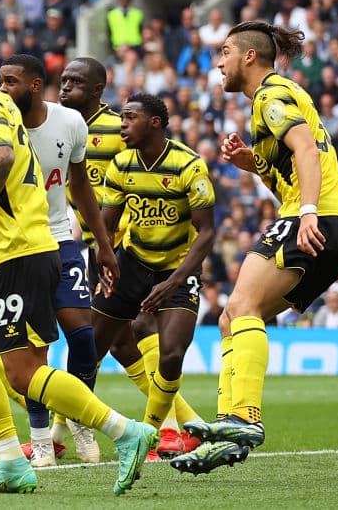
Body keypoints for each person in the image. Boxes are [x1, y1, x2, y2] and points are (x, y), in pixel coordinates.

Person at [0, 28, 157, 497]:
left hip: (22, 253)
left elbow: (1, 158)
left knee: (23, 372)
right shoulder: (2, 104)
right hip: (9, 251)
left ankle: (127, 432)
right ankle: (10, 463)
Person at [173, 21, 338, 473]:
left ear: (249, 57)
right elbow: (291, 179)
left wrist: (311, 212)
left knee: (242, 304)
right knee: (230, 316)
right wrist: (252, 165)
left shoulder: (271, 96)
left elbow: (307, 154)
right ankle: (228, 430)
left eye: (225, 52)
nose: (218, 63)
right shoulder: (274, 102)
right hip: (325, 221)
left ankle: (244, 419)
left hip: (315, 219)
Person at [60, 57, 204, 460]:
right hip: (93, 246)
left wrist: (113, 252)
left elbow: (121, 196)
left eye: (74, 81)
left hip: (124, 250)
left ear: (96, 90)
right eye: (62, 81)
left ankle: (63, 431)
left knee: (109, 339)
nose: (64, 88)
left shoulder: (117, 132)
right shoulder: (57, 128)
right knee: (117, 344)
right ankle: (181, 425)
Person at [0, 55, 121, 467]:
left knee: (82, 334)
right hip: (16, 246)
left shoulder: (70, 123)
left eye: (10, 82)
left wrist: (102, 243)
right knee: (34, 345)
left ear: (34, 86)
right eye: (0, 81)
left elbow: (80, 182)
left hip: (61, 237)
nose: (2, 90)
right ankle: (40, 439)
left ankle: (79, 419)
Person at [92, 93, 216, 457]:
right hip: (132, 263)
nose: (123, 125)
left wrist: (176, 280)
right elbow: (107, 223)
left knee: (172, 354)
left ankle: (150, 433)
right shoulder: (121, 164)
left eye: (130, 118)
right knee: (90, 350)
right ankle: (60, 432)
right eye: (122, 118)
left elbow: (206, 232)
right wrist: (104, 261)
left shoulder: (188, 166)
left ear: (155, 123)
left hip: (177, 268)